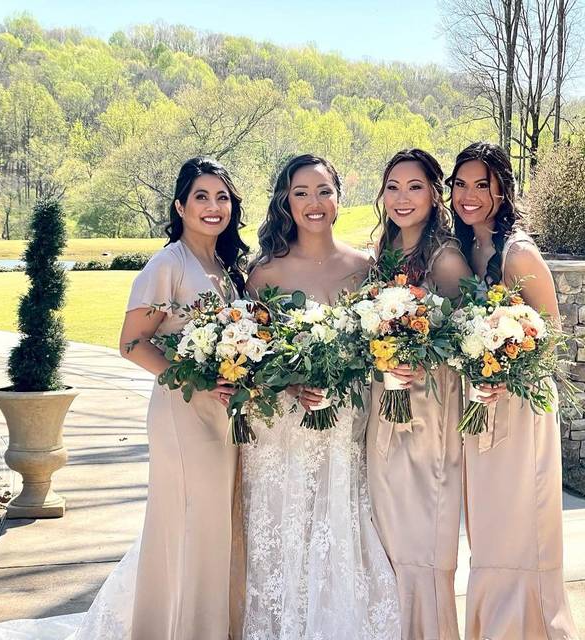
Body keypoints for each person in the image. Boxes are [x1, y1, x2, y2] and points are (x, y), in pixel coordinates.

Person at [0, 157, 250, 640]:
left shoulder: (227, 265)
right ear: (180, 205)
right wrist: (195, 378)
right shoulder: (167, 264)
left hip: (224, 415)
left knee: (218, 522)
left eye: (222, 197)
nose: (213, 207)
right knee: (190, 522)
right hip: (184, 413)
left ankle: (213, 622)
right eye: (201, 196)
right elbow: (132, 343)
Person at [241, 153, 401, 639]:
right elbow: (248, 354)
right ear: (285, 202)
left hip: (345, 419)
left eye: (323, 191)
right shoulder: (264, 274)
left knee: (338, 513)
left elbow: (381, 343)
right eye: (301, 193)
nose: (314, 203)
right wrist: (288, 383)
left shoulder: (365, 267)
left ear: (338, 198)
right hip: (282, 424)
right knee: (283, 516)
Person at [447, 142, 580, 640]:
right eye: (461, 184)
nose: (470, 194)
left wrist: (505, 372)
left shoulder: (519, 252)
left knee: (522, 526)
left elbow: (552, 334)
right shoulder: (463, 250)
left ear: (502, 189)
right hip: (481, 405)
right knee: (490, 532)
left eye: (482, 184)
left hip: (522, 408)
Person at [365, 149, 472, 640]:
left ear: (434, 193)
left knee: (424, 544)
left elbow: (467, 343)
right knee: (390, 542)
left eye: (414, 187)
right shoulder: (382, 257)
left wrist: (418, 354)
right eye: (393, 187)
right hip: (386, 415)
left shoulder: (446, 259)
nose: (402, 197)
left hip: (430, 420)